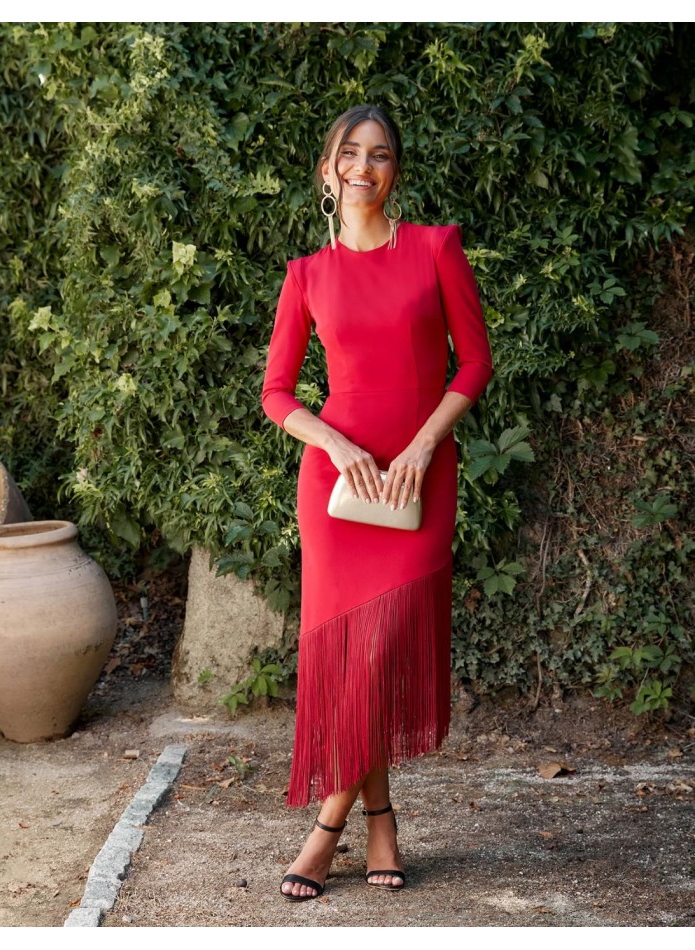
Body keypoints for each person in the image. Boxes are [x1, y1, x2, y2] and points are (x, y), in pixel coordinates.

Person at [261, 104, 494, 901]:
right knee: (357, 658)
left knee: (382, 651)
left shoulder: (434, 248)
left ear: (396, 170)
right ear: (327, 171)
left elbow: (475, 364)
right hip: (341, 491)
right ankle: (381, 821)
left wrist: (426, 445)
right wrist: (334, 443)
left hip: (418, 483)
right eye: (349, 154)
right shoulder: (307, 275)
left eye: (381, 154)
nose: (364, 166)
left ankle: (325, 832)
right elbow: (277, 392)